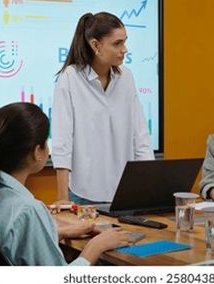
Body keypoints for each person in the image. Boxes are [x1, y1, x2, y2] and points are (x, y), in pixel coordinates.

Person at [0, 102, 133, 267]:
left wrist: (58, 232)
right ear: (37, 152)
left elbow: (11, 241)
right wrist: (96, 246)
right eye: (46, 142)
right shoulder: (28, 210)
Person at [52, 12, 154, 205]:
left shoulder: (127, 77)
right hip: (84, 194)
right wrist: (62, 198)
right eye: (117, 43)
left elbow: (140, 136)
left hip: (126, 191)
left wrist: (149, 187)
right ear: (96, 45)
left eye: (124, 42)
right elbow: (62, 142)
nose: (124, 49)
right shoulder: (70, 78)